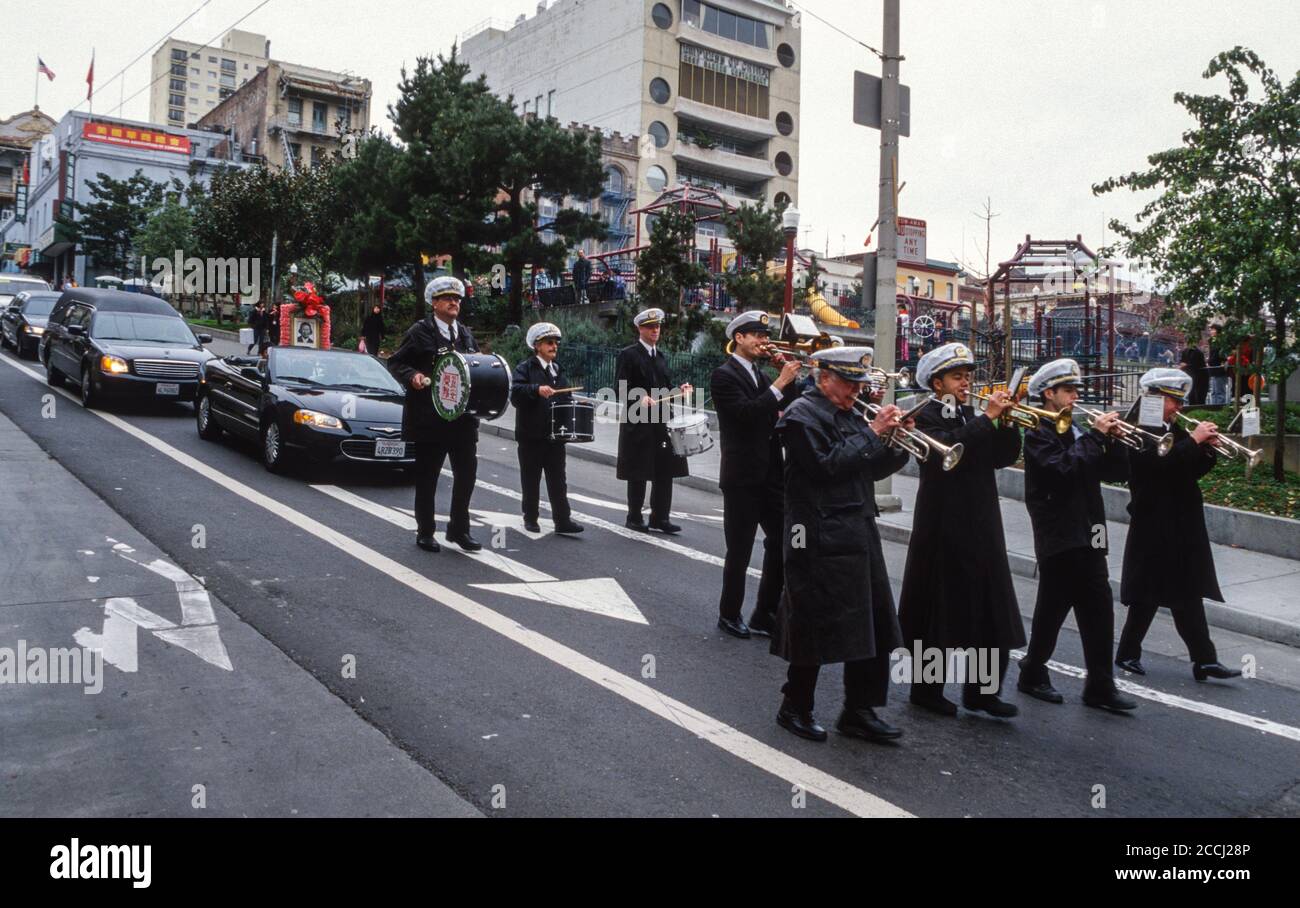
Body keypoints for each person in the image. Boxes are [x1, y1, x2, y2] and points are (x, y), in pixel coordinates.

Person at [771, 346, 911, 744]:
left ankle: (859, 709)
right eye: (850, 383)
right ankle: (795, 705)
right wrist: (873, 433)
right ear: (824, 377)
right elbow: (825, 467)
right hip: (816, 532)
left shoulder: (850, 414)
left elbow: (868, 467)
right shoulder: (801, 416)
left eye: (860, 384)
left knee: (874, 620)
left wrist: (896, 444)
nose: (856, 391)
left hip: (856, 525)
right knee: (814, 620)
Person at [897, 343, 1024, 718]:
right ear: (937, 384)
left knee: (989, 606)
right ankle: (926, 690)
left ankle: (982, 691)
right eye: (957, 376)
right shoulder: (925, 416)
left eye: (968, 375)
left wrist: (1008, 423)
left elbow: (1001, 458)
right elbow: (946, 457)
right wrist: (986, 420)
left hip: (981, 521)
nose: (966, 382)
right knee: (936, 608)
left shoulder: (970, 414)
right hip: (942, 524)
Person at [1017, 358, 1137, 712]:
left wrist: (1114, 441)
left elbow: (1115, 472)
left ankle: (1100, 685)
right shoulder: (1038, 432)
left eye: (1075, 390)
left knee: (1099, 605)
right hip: (1059, 532)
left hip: (1092, 530)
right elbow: (1062, 470)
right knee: (1053, 608)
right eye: (1068, 390)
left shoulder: (1079, 431)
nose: (1075, 396)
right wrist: (1096, 436)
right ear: (1049, 393)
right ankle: (1032, 670)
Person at [1115, 368, 1241, 682]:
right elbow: (1155, 467)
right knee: (1147, 594)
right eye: (1174, 400)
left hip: (1180, 520)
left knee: (1186, 592)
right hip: (1153, 521)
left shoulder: (1172, 427)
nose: (1179, 407)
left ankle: (1204, 660)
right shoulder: (1139, 429)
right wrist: (1192, 442)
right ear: (1155, 397)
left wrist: (1207, 448)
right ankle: (1128, 653)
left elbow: (1187, 469)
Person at [710, 311, 802, 639]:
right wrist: (779, 384)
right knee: (740, 548)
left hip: (770, 474)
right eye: (757, 336)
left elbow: (787, 405)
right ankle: (729, 614)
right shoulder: (724, 375)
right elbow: (745, 415)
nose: (764, 341)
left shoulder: (760, 375)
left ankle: (764, 612)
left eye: (765, 336)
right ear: (739, 338)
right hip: (742, 476)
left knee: (781, 541)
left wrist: (786, 378)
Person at [387, 276, 483, 553]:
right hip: (430, 419)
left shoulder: (464, 333)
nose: (454, 302)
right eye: (448, 298)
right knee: (428, 477)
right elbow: (396, 362)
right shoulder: (420, 331)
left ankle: (458, 530)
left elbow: (474, 365)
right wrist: (413, 375)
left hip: (462, 420)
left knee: (466, 476)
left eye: (457, 299)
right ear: (434, 303)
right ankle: (426, 531)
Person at [615, 307, 692, 534]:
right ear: (640, 329)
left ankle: (660, 518)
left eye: (658, 327)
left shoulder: (660, 356)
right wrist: (640, 397)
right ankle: (634, 517)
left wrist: (680, 389)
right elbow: (619, 388)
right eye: (650, 327)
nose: (655, 330)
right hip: (638, 421)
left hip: (661, 420)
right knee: (639, 470)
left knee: (665, 470)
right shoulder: (629, 354)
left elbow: (665, 388)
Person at [510, 321, 584, 536]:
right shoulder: (525, 368)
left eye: (556, 343)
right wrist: (536, 389)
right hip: (531, 435)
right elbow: (515, 394)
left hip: (554, 435)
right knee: (531, 479)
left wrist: (574, 409)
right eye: (549, 343)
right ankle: (530, 518)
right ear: (537, 345)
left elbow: (565, 397)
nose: (554, 347)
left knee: (558, 480)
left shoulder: (557, 370)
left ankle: (562, 520)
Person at [1178, 339, 1208, 405]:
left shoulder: (1196, 352)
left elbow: (1194, 364)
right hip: (1192, 375)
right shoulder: (1188, 351)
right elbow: (1183, 362)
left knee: (1196, 394)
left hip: (1197, 376)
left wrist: (1185, 365)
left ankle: (1195, 407)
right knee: (1193, 394)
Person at [1206, 325, 1229, 405]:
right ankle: (1213, 409)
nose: (1211, 331)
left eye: (1213, 330)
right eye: (1211, 330)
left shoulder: (1222, 341)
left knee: (1219, 391)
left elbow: (1223, 355)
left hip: (1219, 368)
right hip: (1212, 368)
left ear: (1218, 331)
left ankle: (1220, 409)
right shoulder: (1211, 341)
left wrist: (1223, 363)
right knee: (1213, 391)